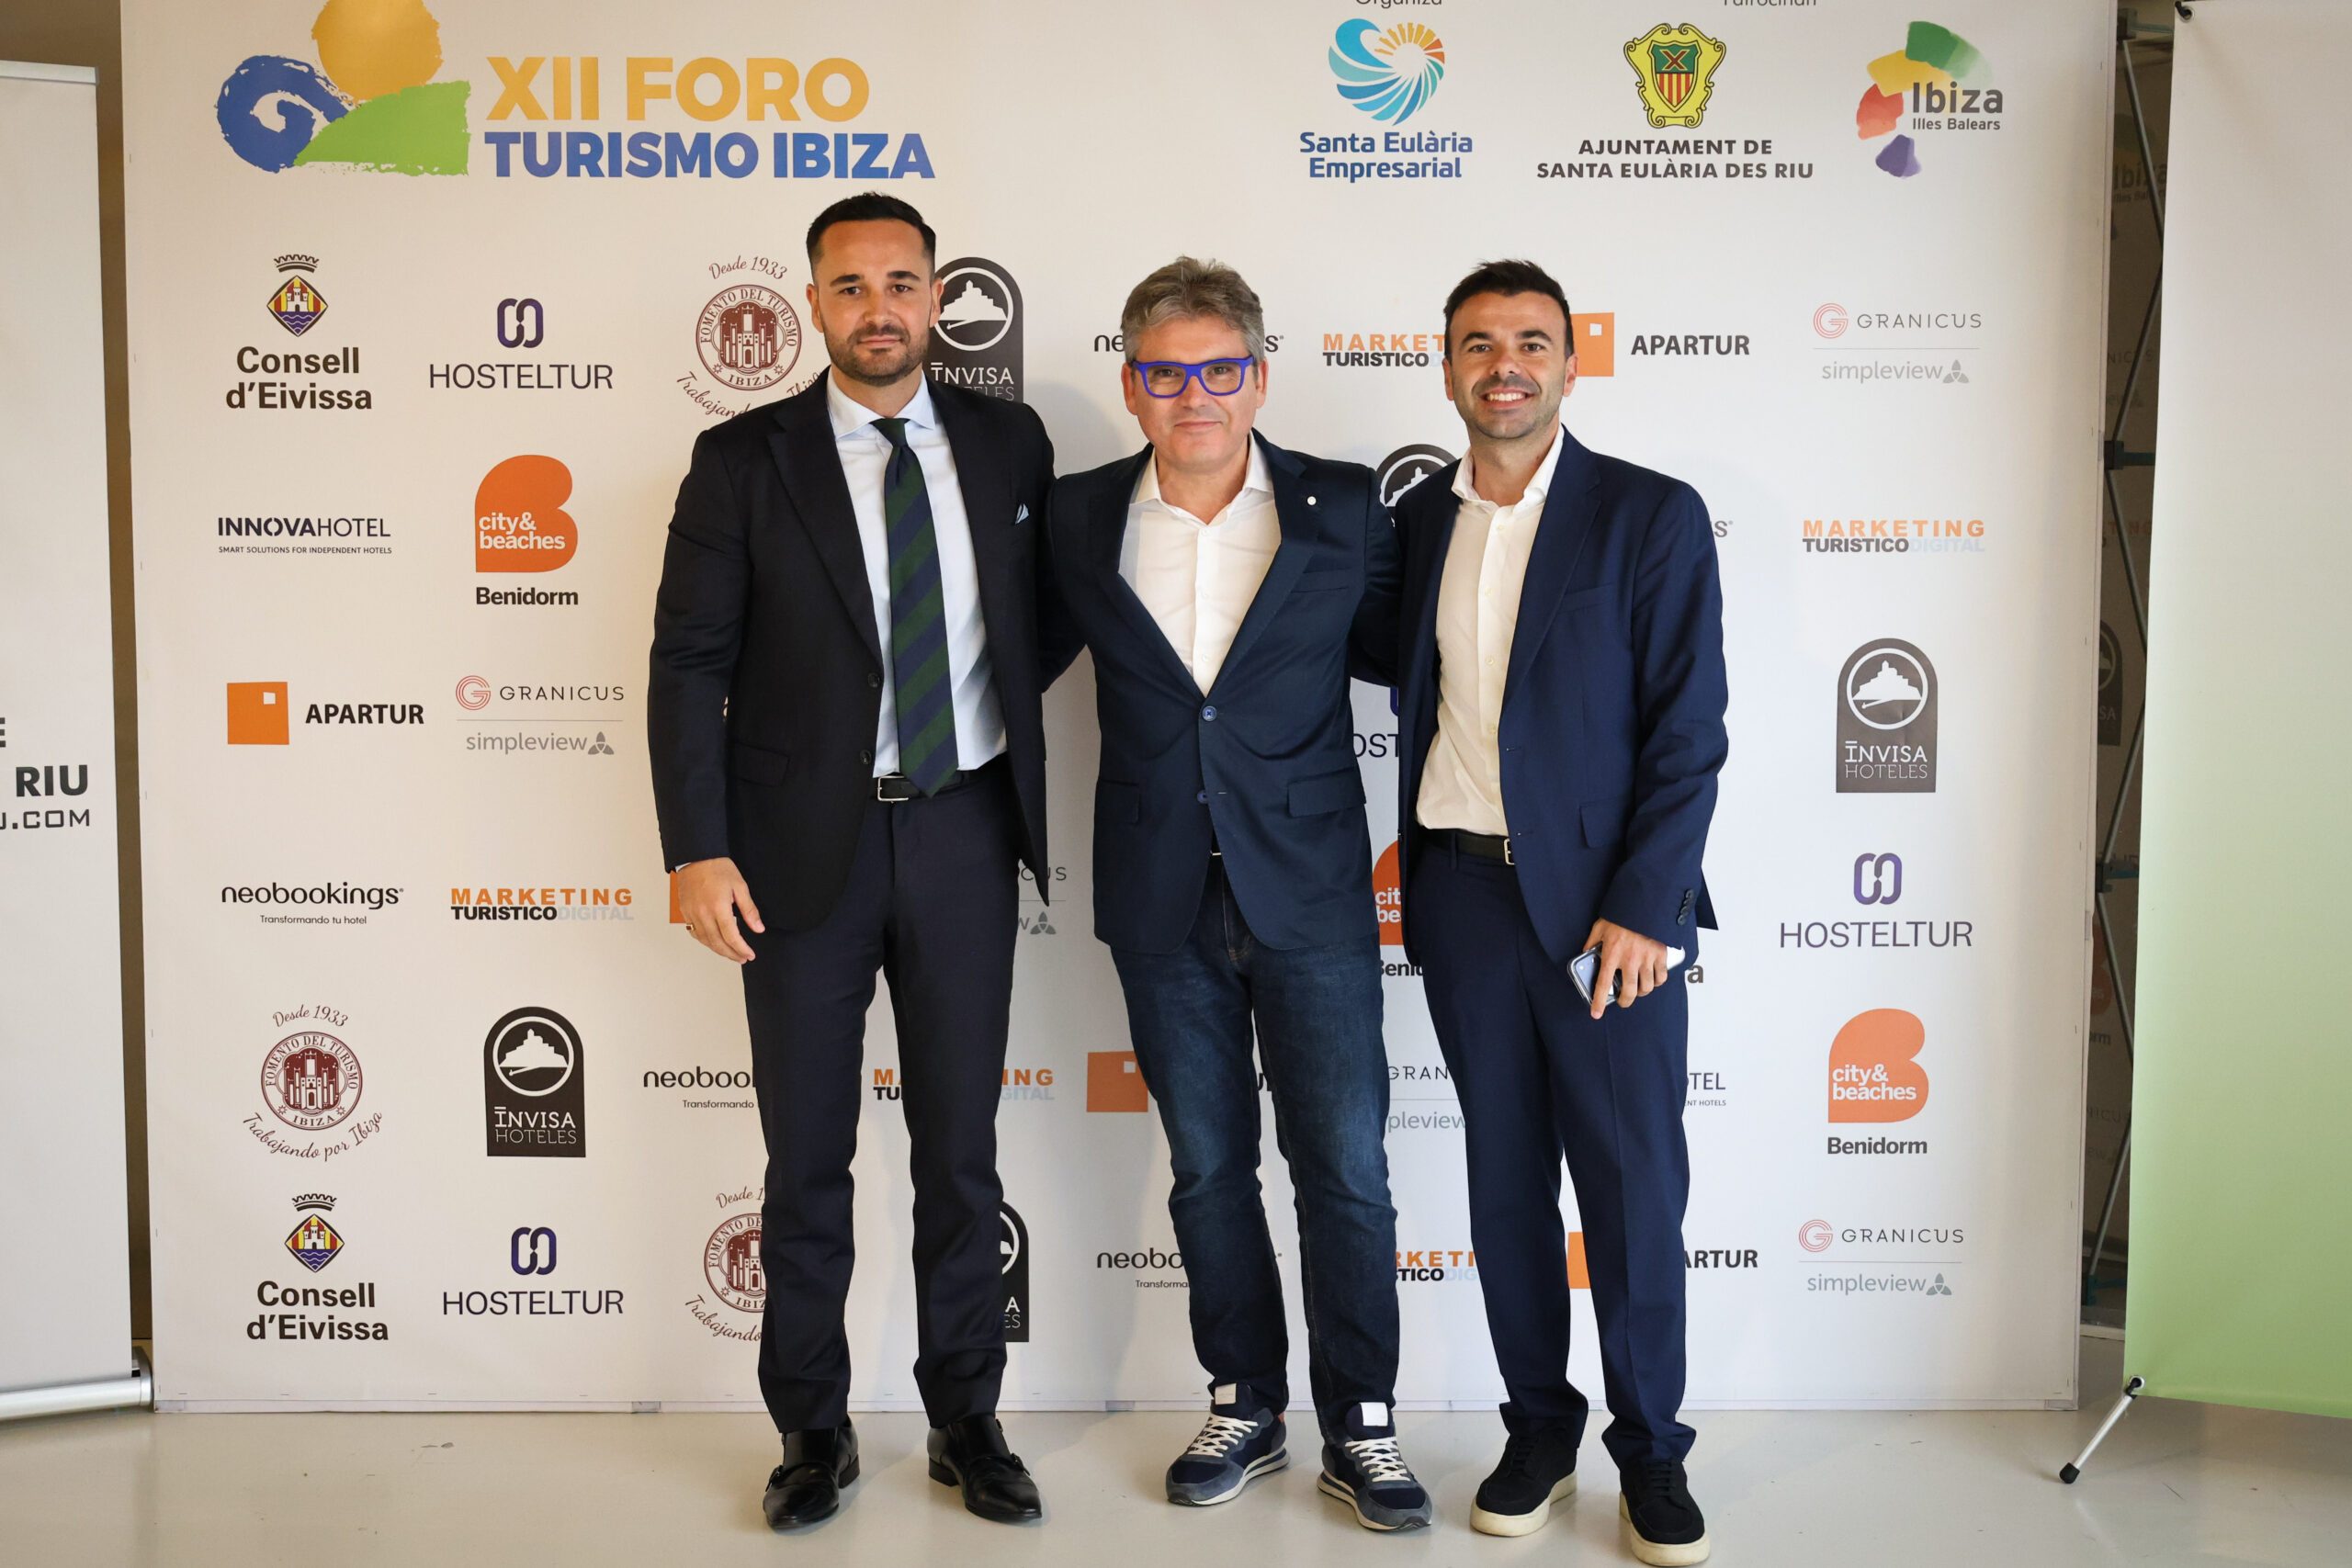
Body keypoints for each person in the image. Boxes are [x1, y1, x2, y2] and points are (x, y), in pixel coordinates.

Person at [647, 192, 1065, 1531]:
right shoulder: (742, 459)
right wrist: (697, 847)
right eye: (850, 286)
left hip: (961, 830)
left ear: (936, 297)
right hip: (792, 855)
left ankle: (967, 1418)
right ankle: (811, 1430)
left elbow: (1039, 617)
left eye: (901, 283)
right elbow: (688, 663)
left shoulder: (1007, 441)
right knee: (806, 1160)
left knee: (961, 1153)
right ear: (814, 303)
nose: (878, 309)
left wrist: (987, 722)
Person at [1044, 257, 1427, 1530]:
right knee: (1209, 1169)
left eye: (1219, 369)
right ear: (1131, 386)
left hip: (1310, 891)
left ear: (1259, 376)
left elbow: (1416, 663)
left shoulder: (1343, 507)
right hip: (1158, 894)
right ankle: (1245, 1403)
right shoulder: (1080, 515)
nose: (1193, 394)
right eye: (1165, 373)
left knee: (1345, 1169)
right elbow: (1007, 662)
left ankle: (1362, 1423)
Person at [1391, 260, 1726, 1565]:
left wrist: (1647, 906)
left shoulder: (1648, 514)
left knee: (1632, 1185)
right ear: (1447, 366)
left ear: (1571, 365)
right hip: (1461, 894)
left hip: (1605, 916)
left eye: (1532, 343)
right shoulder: (1416, 524)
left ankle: (1652, 1449)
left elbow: (1688, 730)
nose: (1506, 366)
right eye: (1480, 344)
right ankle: (1538, 1426)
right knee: (1504, 1181)